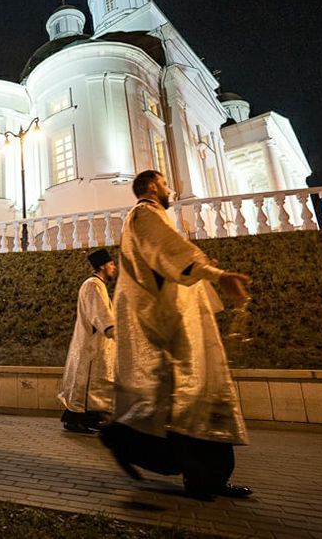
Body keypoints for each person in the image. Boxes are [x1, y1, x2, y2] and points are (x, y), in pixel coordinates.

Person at [100, 170, 254, 499]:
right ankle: (199, 476)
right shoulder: (144, 214)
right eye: (166, 183)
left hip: (184, 326)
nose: (171, 190)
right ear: (153, 186)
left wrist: (204, 268)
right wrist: (216, 273)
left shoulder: (153, 218)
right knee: (190, 403)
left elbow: (174, 256)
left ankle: (205, 477)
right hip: (173, 329)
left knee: (191, 404)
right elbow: (170, 254)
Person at [58, 248, 117, 433]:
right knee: (85, 385)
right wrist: (113, 330)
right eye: (111, 264)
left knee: (92, 385)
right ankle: (76, 420)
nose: (114, 268)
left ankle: (88, 419)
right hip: (91, 346)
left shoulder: (97, 285)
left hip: (96, 346)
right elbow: (99, 314)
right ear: (102, 266)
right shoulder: (93, 285)